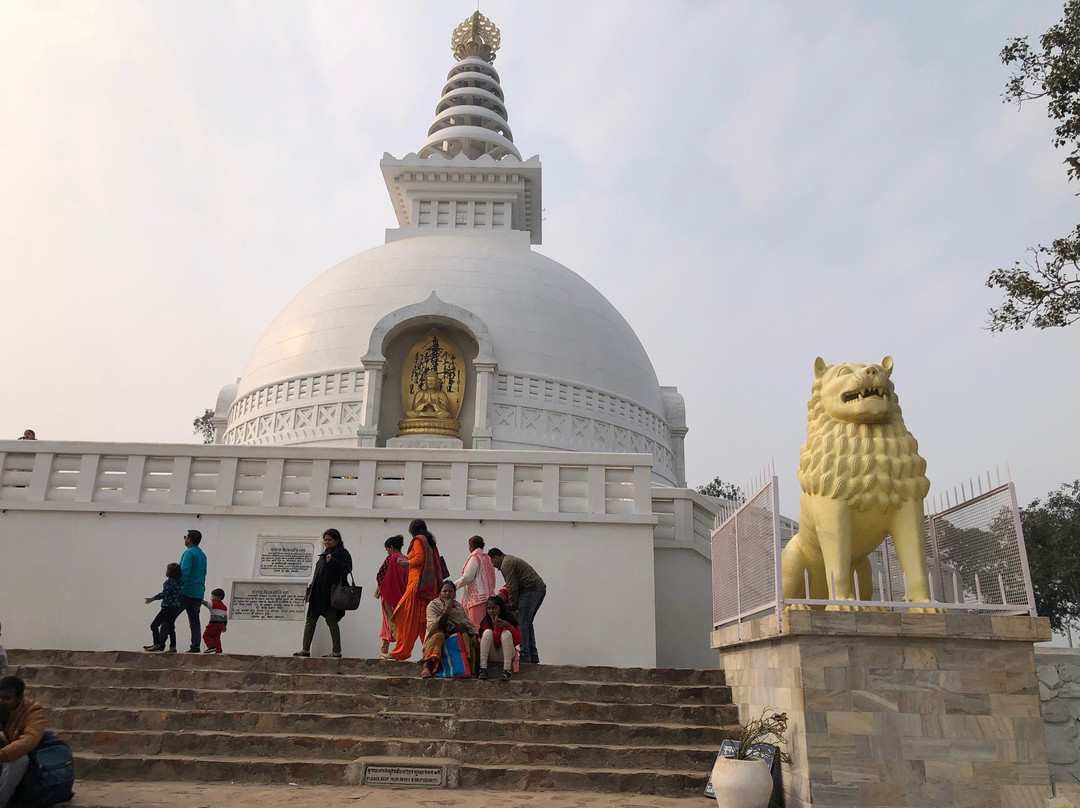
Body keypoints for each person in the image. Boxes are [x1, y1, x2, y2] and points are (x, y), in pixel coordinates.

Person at [389, 519, 443, 661]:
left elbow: (419, 558)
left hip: (417, 586)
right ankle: (430, 652)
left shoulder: (418, 540)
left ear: (412, 530)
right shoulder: (430, 543)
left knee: (406, 617)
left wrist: (406, 562)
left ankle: (401, 652)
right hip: (429, 587)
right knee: (423, 622)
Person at [295, 528, 353, 659]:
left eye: (329, 540)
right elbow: (317, 575)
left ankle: (336, 651)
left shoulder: (342, 553)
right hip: (317, 594)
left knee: (332, 621)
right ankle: (305, 649)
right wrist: (309, 591)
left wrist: (333, 561)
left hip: (330, 595)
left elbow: (347, 569)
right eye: (325, 540)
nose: (326, 542)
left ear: (337, 540)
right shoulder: (324, 555)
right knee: (310, 621)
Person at [487, 548, 546, 665]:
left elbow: (512, 587)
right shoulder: (510, 560)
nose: (493, 566)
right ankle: (532, 654)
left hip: (531, 590)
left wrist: (513, 608)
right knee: (527, 623)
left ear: (496, 558)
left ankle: (525, 655)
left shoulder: (506, 564)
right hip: (537, 589)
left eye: (492, 562)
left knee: (522, 622)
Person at [0, 675, 46, 808]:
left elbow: (29, 740)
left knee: (19, 759)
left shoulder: (34, 711)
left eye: (7, 698)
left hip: (20, 761)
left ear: (19, 698)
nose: (1, 701)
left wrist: (3, 755)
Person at [420, 581, 476, 678]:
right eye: (444, 591)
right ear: (439, 593)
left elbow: (469, 625)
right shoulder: (433, 605)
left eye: (450, 591)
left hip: (455, 635)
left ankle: (470, 668)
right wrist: (447, 608)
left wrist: (474, 634)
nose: (447, 593)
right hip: (438, 635)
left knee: (467, 634)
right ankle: (427, 666)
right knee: (439, 635)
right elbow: (435, 626)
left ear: (454, 594)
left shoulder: (458, 607)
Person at [374, 535, 407, 659]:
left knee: (391, 621)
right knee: (388, 622)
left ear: (391, 547)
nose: (387, 551)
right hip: (401, 594)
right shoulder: (406, 559)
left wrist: (381, 587)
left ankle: (400, 648)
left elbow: (380, 574)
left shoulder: (392, 557)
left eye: (387, 549)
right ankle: (384, 650)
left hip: (389, 593)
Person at [455, 535, 496, 628]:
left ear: (471, 546)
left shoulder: (475, 558)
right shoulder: (487, 558)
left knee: (476, 628)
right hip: (489, 599)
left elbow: (467, 578)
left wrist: (453, 586)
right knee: (486, 628)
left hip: (476, 600)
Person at [477, 595, 521, 682]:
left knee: (506, 633)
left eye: (494, 608)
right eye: (489, 608)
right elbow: (495, 644)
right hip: (492, 654)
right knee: (487, 632)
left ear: (500, 608)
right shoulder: (486, 622)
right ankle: (483, 668)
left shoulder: (509, 619)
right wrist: (496, 629)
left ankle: (507, 670)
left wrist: (509, 627)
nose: (491, 611)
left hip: (506, 654)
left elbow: (517, 641)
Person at [144, 562, 183, 652]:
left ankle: (157, 644)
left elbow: (164, 594)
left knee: (154, 625)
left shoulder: (168, 582)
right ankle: (173, 647)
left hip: (167, 608)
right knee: (171, 627)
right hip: (175, 608)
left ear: (170, 572)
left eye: (167, 569)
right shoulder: (180, 582)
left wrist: (152, 599)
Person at [179, 530, 208, 653]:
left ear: (189, 539)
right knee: (194, 620)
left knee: (168, 616)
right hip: (198, 591)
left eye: (186, 536)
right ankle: (195, 645)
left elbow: (184, 572)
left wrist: (177, 586)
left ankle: (160, 643)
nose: (184, 538)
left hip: (187, 590)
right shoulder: (202, 555)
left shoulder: (189, 553)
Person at [201, 588, 228, 654]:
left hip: (213, 624)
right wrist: (224, 625)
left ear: (217, 598)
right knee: (216, 637)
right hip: (220, 625)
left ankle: (211, 646)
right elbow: (225, 617)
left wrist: (199, 599)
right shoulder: (224, 607)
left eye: (212, 596)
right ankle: (219, 651)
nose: (211, 598)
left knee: (206, 635)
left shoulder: (213, 604)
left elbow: (206, 603)